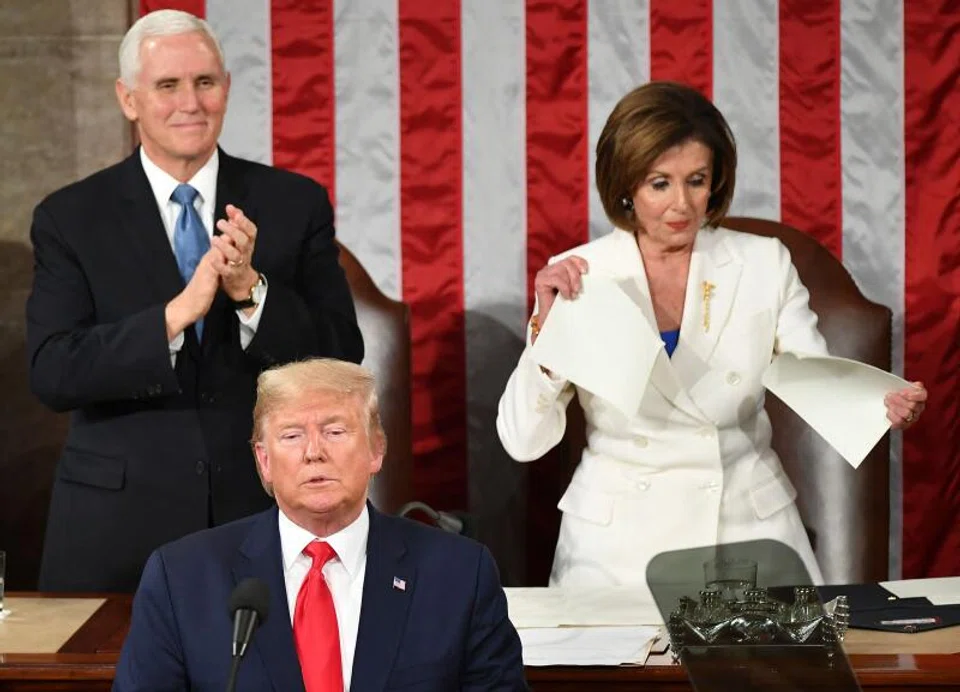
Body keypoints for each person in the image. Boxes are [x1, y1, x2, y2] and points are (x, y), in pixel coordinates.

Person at [496, 81, 926, 590]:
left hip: (747, 536)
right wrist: (548, 339)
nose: (681, 204)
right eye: (660, 184)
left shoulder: (764, 263)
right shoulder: (578, 275)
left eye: (696, 180)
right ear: (626, 185)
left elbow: (814, 378)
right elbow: (522, 441)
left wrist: (878, 402)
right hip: (615, 553)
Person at [26, 9, 363, 592]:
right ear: (128, 99)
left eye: (205, 83)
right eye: (167, 85)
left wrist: (250, 292)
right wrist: (175, 317)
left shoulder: (292, 202)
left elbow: (340, 353)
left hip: (255, 519)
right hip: (116, 529)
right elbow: (53, 370)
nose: (191, 102)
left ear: (226, 89)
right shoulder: (70, 217)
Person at [113, 359, 526, 692]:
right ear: (264, 461)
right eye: (292, 436)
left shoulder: (458, 574)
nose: (314, 452)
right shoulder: (182, 577)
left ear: (376, 450)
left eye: (335, 430)